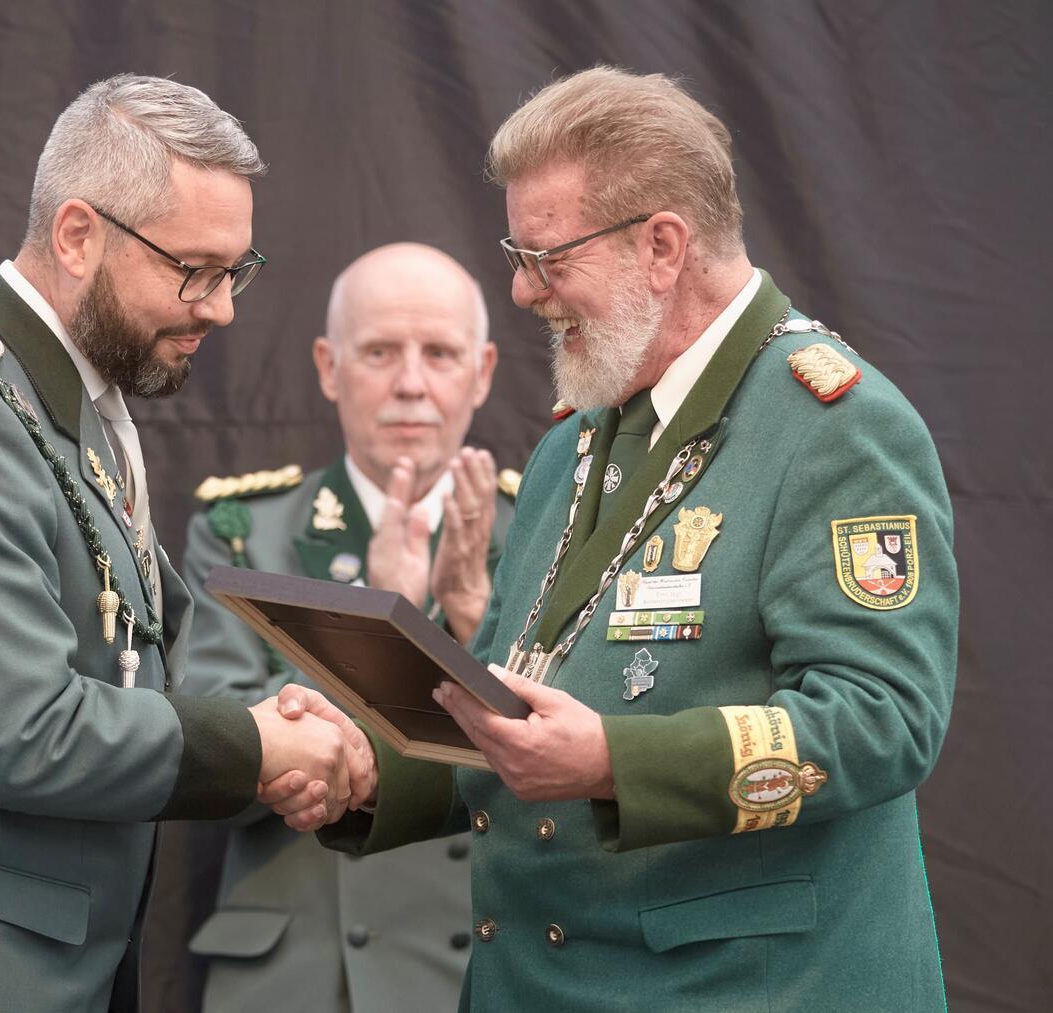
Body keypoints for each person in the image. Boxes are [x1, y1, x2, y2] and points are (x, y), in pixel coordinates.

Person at [279, 66, 958, 1010]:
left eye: (546, 257)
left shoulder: (833, 426)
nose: (520, 291)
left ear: (664, 247)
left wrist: (612, 762)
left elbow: (885, 717)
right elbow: (510, 708)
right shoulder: (577, 442)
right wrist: (363, 768)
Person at [0, 74, 368, 1013]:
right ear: (77, 234)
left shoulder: (63, 402)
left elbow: (140, 671)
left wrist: (283, 727)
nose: (221, 309)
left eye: (236, 273)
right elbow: (22, 733)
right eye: (194, 271)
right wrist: (256, 744)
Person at [181, 243, 513, 1012]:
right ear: (329, 367)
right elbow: (210, 763)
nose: (410, 383)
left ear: (484, 370)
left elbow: (585, 752)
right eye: (379, 352)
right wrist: (375, 625)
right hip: (305, 978)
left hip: (489, 969)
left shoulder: (541, 532)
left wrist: (470, 615)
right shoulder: (244, 534)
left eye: (438, 352)